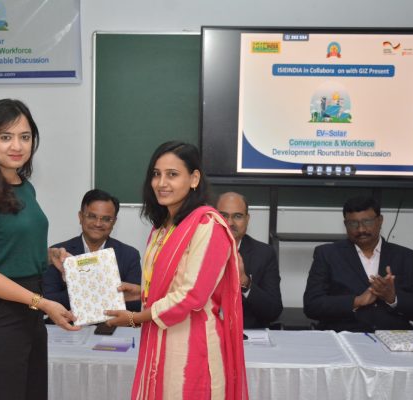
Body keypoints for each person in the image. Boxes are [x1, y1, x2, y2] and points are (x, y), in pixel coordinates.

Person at [105, 141, 247, 400]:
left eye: (172, 174)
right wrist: (141, 291)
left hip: (193, 349)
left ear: (194, 179)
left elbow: (192, 295)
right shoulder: (162, 227)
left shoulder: (208, 226)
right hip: (159, 342)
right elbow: (172, 282)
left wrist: (135, 318)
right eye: (156, 174)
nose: (161, 183)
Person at [0, 99, 78, 400]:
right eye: (5, 136)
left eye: (25, 137)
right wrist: (42, 303)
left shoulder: (24, 186)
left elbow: (11, 246)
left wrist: (49, 256)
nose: (17, 146)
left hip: (30, 315)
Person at [303, 196, 413, 332]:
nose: (361, 229)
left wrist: (393, 298)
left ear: (380, 221)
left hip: (393, 338)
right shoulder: (327, 254)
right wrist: (357, 301)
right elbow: (311, 306)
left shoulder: (406, 257)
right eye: (353, 224)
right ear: (345, 224)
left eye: (367, 222)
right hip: (344, 337)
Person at [43, 188, 142, 312]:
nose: (98, 224)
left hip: (112, 323)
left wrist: (87, 292)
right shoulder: (59, 253)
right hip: (68, 323)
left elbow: (135, 305)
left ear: (114, 222)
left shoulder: (129, 255)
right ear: (80, 217)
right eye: (92, 216)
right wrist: (93, 290)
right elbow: (48, 299)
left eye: (106, 219)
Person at [216, 192, 283, 328]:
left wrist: (245, 282)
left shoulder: (264, 254)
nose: (230, 223)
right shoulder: (197, 250)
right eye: (223, 216)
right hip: (206, 332)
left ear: (247, 219)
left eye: (237, 216)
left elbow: (273, 311)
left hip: (246, 332)